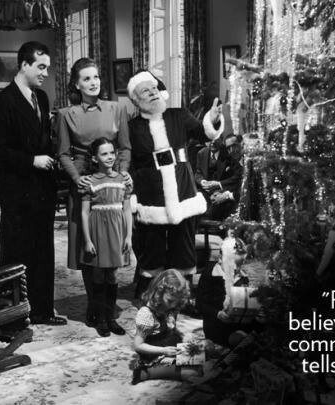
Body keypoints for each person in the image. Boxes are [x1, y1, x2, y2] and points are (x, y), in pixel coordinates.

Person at [0, 41, 66, 326]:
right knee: (16, 252)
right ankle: (12, 317)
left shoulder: (41, 97)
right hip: (17, 191)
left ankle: (43, 310)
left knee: (43, 251)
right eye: (41, 67)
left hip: (43, 191)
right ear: (24, 65)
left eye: (47, 67)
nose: (45, 73)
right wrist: (32, 160)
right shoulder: (1, 102)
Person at [126, 71, 223, 295]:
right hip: (151, 194)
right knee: (152, 247)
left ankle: (183, 293)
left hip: (182, 190)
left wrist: (213, 119)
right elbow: (129, 162)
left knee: (183, 246)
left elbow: (204, 134)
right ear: (136, 100)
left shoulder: (179, 115)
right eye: (145, 91)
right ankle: (151, 292)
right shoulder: (132, 127)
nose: (152, 93)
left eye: (153, 88)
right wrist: (132, 196)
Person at [56, 57, 131, 327]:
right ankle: (93, 305)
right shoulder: (66, 114)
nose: (93, 82)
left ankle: (107, 310)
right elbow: (63, 153)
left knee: (112, 241)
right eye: (86, 78)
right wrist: (78, 179)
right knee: (87, 245)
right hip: (84, 182)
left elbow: (125, 147)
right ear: (76, 84)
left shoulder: (117, 108)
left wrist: (122, 174)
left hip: (112, 181)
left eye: (96, 77)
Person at [80, 138, 132, 337]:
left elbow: (127, 210)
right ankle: (100, 318)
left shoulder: (123, 180)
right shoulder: (90, 182)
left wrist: (128, 236)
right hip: (98, 230)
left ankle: (111, 318)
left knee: (113, 274)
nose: (109, 157)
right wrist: (87, 240)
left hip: (117, 230)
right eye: (104, 154)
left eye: (112, 152)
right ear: (95, 158)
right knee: (98, 274)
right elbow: (84, 212)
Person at [132, 269, 201, 384]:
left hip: (168, 349)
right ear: (159, 292)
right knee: (192, 373)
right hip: (153, 358)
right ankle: (144, 373)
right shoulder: (146, 314)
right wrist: (164, 351)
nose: (173, 305)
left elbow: (171, 329)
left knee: (203, 353)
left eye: (176, 301)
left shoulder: (170, 307)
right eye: (170, 300)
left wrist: (184, 336)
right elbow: (138, 345)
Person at [196, 237, 262, 346]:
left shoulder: (243, 277)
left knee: (258, 329)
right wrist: (218, 314)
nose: (236, 269)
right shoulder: (210, 274)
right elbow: (199, 304)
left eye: (240, 264)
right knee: (235, 340)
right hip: (216, 324)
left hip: (238, 322)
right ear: (220, 259)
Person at [195, 133, 243, 221]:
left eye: (215, 139)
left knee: (217, 209)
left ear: (221, 140)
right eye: (209, 139)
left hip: (224, 190)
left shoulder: (229, 153)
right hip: (206, 191)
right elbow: (198, 173)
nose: (212, 142)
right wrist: (202, 182)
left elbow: (237, 177)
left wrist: (220, 187)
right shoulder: (201, 153)